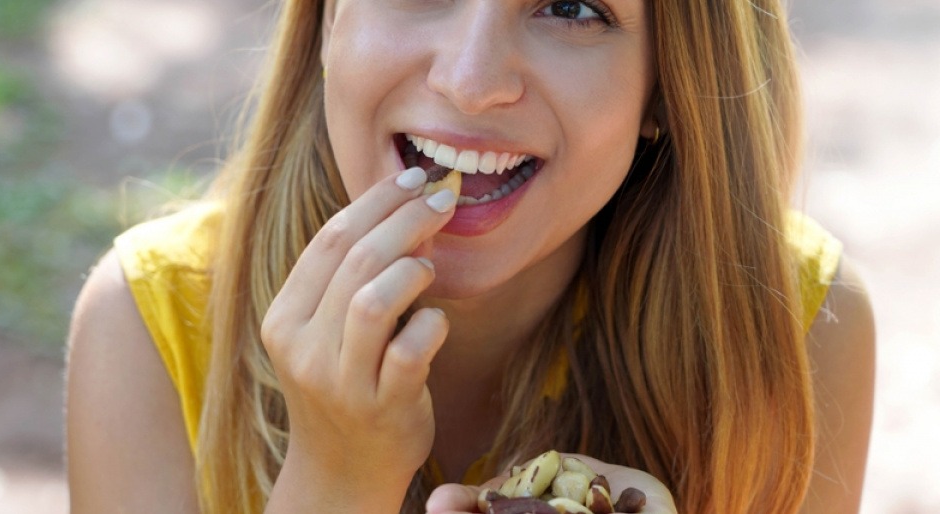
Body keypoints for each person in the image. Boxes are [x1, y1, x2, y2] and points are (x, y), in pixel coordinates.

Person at [65, 0, 876, 512]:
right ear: (325, 20)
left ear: (667, 88)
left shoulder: (797, 330)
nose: (470, 80)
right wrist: (339, 481)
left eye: (569, 7)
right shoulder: (151, 327)